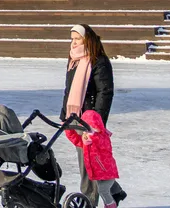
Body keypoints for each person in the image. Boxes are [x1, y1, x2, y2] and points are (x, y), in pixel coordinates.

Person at [63, 25, 124, 204]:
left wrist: (96, 122)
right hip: (75, 116)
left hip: (90, 120)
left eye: (77, 39)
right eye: (72, 39)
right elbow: (69, 90)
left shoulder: (99, 61)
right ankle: (115, 191)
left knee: (88, 162)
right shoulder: (73, 60)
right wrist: (65, 115)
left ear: (87, 39)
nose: (74, 43)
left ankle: (88, 201)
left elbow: (104, 92)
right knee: (91, 159)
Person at [64, 108, 120, 208]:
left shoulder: (103, 137)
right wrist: (68, 129)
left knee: (103, 191)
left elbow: (101, 144)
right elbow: (75, 139)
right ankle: (110, 203)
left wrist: (93, 135)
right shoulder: (86, 139)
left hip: (107, 173)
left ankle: (111, 205)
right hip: (97, 174)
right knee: (103, 191)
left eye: (93, 126)